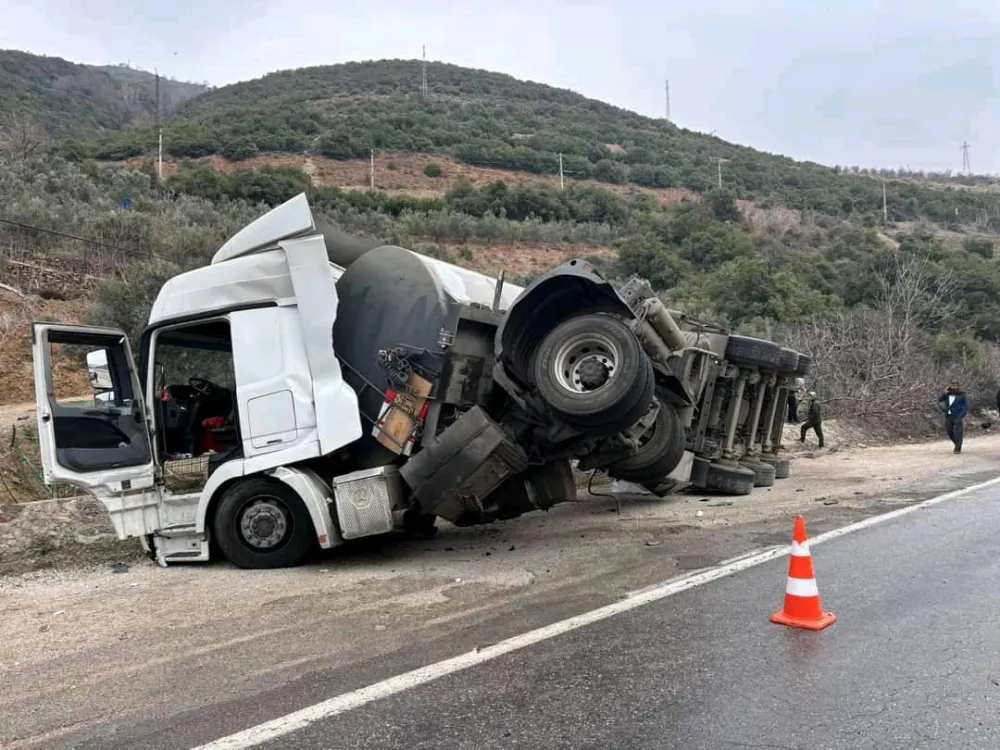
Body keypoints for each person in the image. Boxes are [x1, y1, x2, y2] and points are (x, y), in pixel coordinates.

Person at [937, 382, 969, 454]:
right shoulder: (947, 394)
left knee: (959, 432)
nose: (953, 387)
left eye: (955, 386)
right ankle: (956, 443)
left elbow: (966, 407)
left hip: (958, 415)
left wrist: (961, 416)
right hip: (948, 415)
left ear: (958, 386)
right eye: (952, 386)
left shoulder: (963, 395)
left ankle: (958, 448)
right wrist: (943, 409)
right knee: (949, 431)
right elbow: (939, 400)